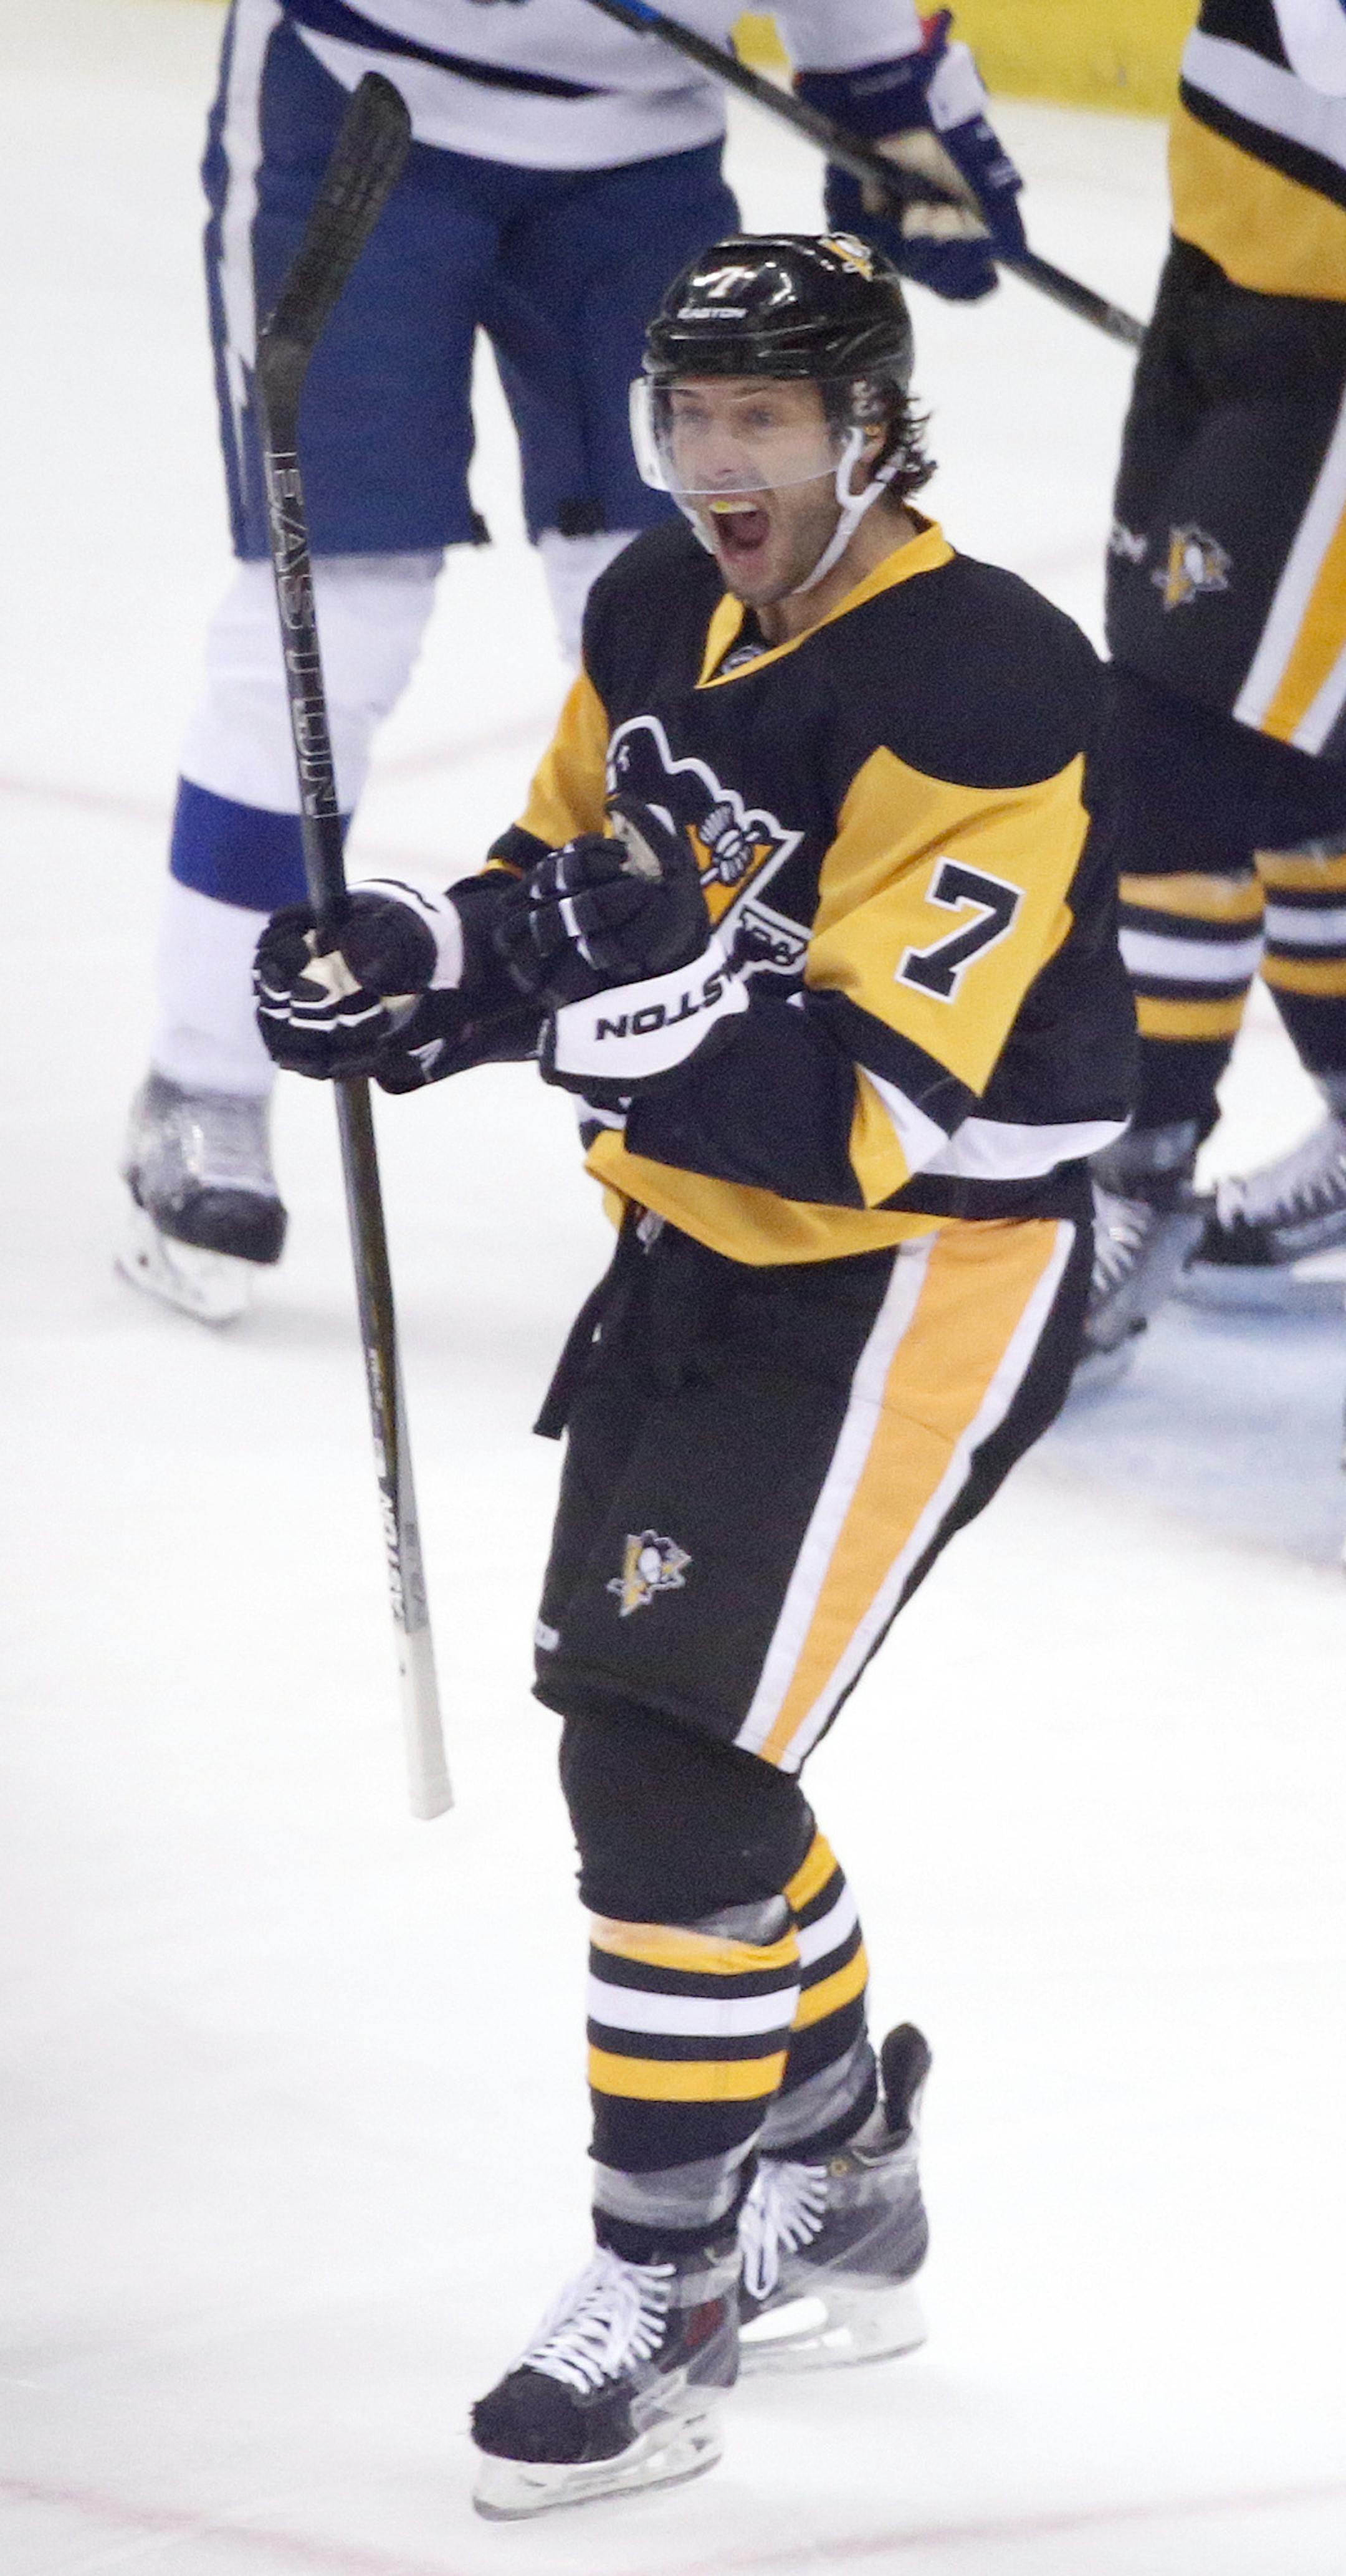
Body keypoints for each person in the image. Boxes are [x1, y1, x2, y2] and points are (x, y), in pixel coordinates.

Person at [254, 232, 1132, 2516]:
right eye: (692, 419)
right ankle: (836, 2167)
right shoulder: (657, 607)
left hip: (918, 1274)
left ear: (872, 432)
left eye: (766, 424)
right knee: (658, 1731)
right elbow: (573, 870)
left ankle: (669, 2291)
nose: (717, 463)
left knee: (671, 1771)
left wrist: (533, 1024)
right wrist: (410, 963)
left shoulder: (987, 680)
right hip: (708, 1251)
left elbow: (858, 1107)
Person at [118, 0, 1029, 1325]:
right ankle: (205, 1076)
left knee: (675, 613)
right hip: (363, 94)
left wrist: (886, 96)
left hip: (640, 154)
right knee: (331, 615)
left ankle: (710, 1092)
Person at [1084, 0, 1346, 1364]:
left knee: (1179, 759)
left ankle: (1139, 1179)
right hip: (1238, 272)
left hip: (1330, 335)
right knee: (1307, 762)